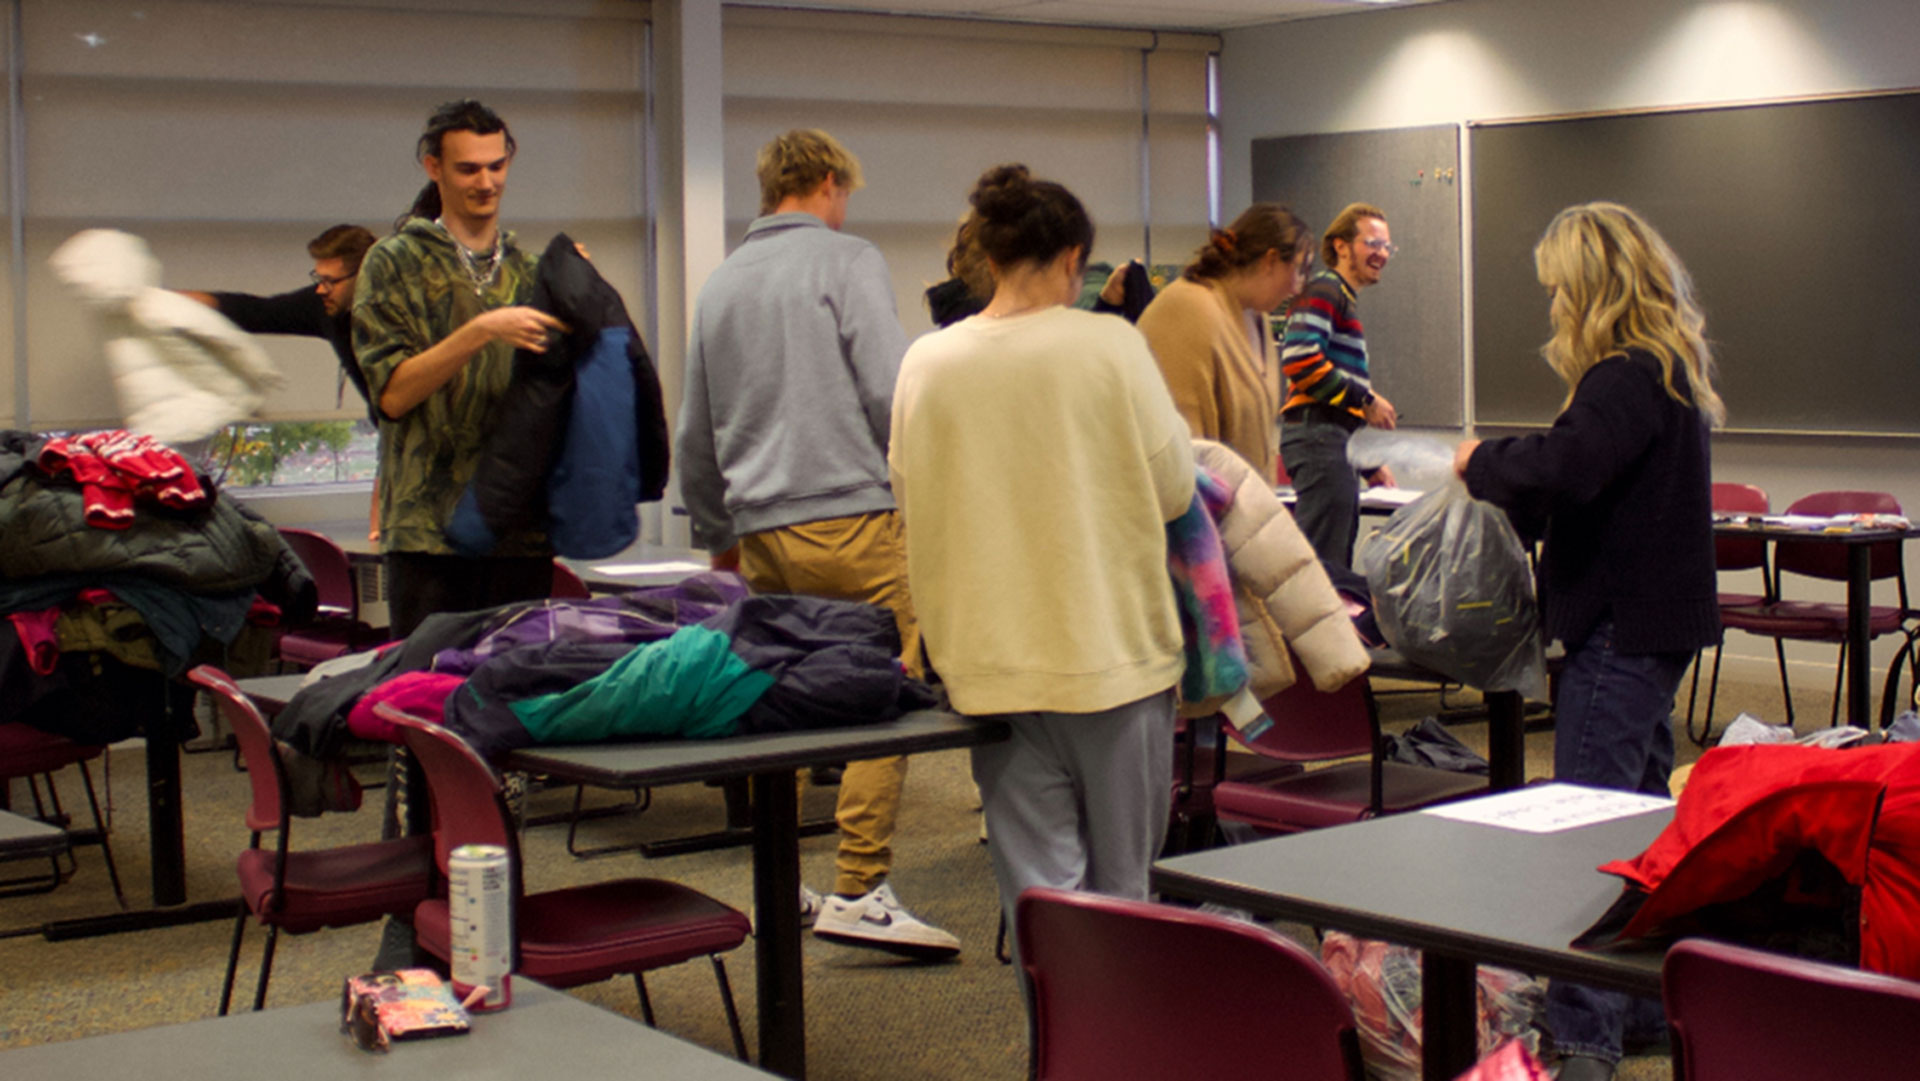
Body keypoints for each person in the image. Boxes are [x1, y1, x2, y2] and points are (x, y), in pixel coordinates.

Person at [890, 164, 1194, 980]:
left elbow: (910, 499)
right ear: (1072, 259)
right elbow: (1174, 490)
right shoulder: (1110, 343)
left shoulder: (927, 361)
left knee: (1042, 916)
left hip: (993, 672)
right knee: (1125, 898)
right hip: (1115, 661)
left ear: (986, 256)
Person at [1452, 202, 1724, 1081]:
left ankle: (1585, 1042)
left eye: (1559, 291)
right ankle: (1643, 1006)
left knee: (1589, 832)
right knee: (1644, 826)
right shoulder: (1664, 370)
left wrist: (1478, 463)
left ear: (1591, 286)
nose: (1554, 309)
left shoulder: (1623, 375)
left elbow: (1567, 465)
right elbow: (1591, 481)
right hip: (1653, 624)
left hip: (1622, 627)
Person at [675, 128, 959, 959]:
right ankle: (861, 886)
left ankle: (783, 881)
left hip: (761, 529)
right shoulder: (847, 260)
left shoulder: (721, 282)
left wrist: (716, 533)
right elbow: (889, 390)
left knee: (785, 701)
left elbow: (695, 427)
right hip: (856, 520)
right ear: (829, 183)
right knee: (876, 694)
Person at [353, 99, 564, 639]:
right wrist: (482, 330)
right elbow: (395, 395)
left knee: (514, 696)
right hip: (429, 532)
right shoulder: (393, 262)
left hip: (518, 531)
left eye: (497, 166)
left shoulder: (531, 270)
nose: (486, 182)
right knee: (427, 695)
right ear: (434, 168)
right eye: (468, 168)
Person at [1138, 203, 1311, 483]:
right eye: (1299, 269)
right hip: (1198, 517)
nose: (1297, 287)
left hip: (1242, 515)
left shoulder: (1257, 317)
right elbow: (1182, 455)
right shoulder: (1186, 307)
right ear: (1270, 260)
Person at [1279, 201, 1399, 567]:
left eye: (1386, 247)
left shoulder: (1340, 297)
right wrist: (1365, 399)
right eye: (1372, 244)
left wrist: (1365, 463)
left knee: (1333, 562)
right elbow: (1299, 360)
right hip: (1318, 440)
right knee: (1322, 570)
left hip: (1331, 441)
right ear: (1341, 246)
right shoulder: (1326, 290)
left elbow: (1332, 393)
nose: (1381, 254)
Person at [178, 225, 380, 422]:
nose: (321, 289)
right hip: (392, 437)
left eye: (330, 281)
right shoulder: (324, 307)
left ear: (364, 276)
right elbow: (256, 312)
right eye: (319, 278)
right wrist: (174, 302)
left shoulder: (402, 313)